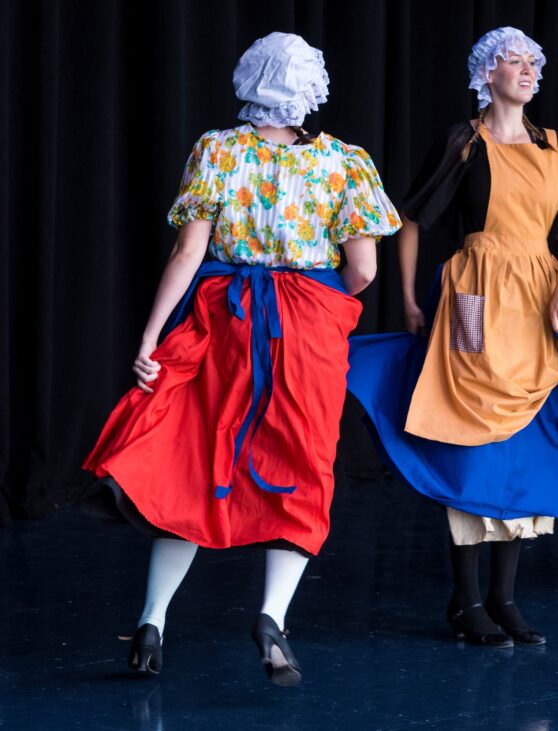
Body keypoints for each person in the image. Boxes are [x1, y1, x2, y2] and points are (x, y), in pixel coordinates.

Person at [347, 27, 558, 647]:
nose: (530, 70)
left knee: (526, 436)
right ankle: (464, 598)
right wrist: (405, 299)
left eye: (535, 61)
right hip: (475, 296)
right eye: (515, 60)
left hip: (538, 298)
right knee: (473, 427)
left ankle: (504, 598)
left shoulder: (552, 145)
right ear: (487, 72)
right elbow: (409, 221)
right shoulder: (465, 141)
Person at [82, 32, 400, 683]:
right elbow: (364, 268)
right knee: (303, 465)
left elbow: (187, 254)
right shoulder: (344, 161)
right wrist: (315, 293)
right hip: (307, 326)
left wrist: (149, 337)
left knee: (199, 462)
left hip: (226, 320)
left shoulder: (218, 150)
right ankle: (271, 618)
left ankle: (151, 621)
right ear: (311, 88)